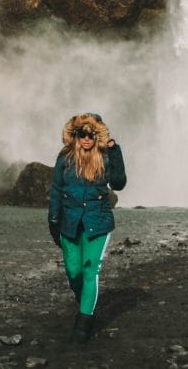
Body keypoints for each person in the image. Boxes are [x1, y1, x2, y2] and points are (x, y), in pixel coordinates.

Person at [47, 112, 127, 344]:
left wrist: (115, 150)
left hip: (98, 222)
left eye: (91, 134)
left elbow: (119, 184)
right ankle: (86, 302)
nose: (86, 138)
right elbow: (55, 190)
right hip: (70, 223)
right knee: (74, 272)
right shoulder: (65, 158)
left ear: (97, 136)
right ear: (76, 135)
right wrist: (53, 220)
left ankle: (83, 324)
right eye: (82, 133)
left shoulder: (105, 156)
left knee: (90, 270)